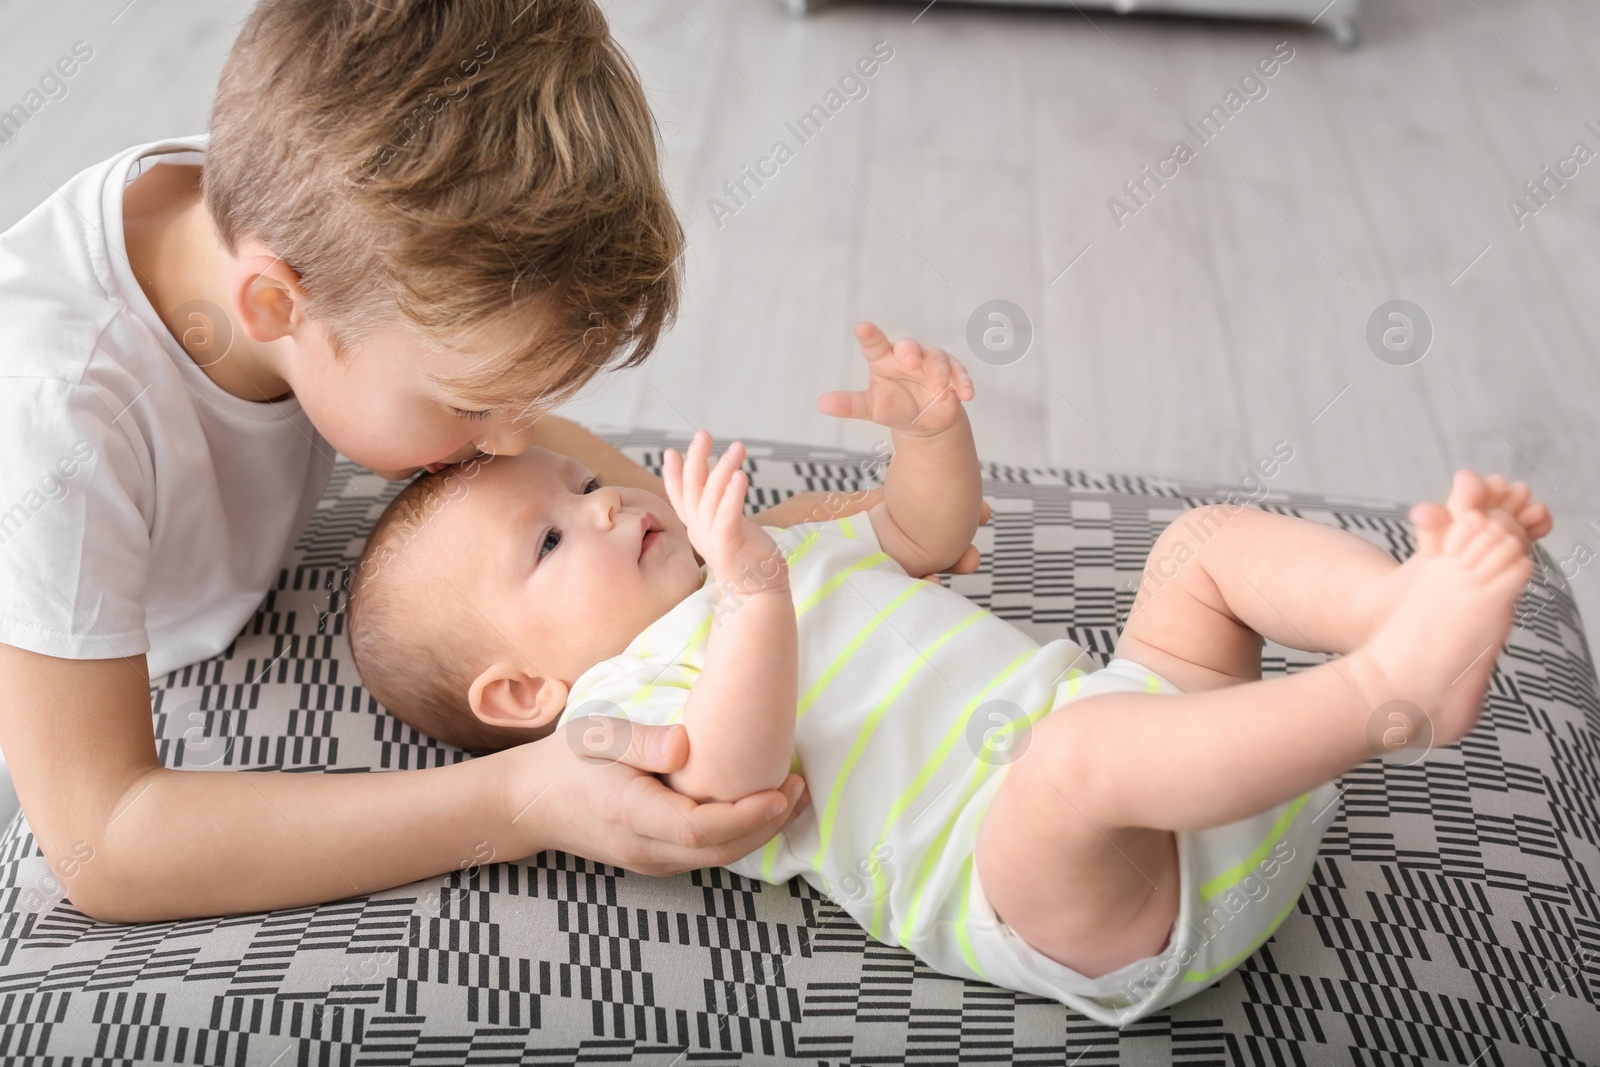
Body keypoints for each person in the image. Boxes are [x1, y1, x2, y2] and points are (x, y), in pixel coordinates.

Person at [0, 0, 987, 924]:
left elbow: (660, 518)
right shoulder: (55, 422)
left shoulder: (337, 215)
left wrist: (854, 527)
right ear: (274, 309)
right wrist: (523, 796)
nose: (521, 437)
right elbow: (102, 844)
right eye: (473, 402)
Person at [346, 320, 1550, 1024]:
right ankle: (1392, 689)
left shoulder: (773, 542)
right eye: (552, 542)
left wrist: (928, 434)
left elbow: (925, 535)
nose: (605, 508)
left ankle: (1399, 608)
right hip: (1074, 891)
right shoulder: (613, 712)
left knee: (1195, 549)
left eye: (582, 485)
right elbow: (722, 778)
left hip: (1177, 753)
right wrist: (755, 589)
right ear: (519, 691)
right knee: (1071, 759)